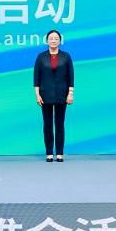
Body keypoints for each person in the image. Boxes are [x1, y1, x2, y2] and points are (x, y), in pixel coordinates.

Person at [33, 30, 74, 162]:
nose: (53, 40)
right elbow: (36, 77)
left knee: (60, 124)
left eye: (56, 38)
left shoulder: (66, 56)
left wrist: (70, 93)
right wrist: (37, 94)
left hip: (62, 94)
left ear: (60, 41)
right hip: (45, 94)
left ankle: (60, 153)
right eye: (51, 38)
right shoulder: (41, 57)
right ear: (47, 41)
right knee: (48, 124)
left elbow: (71, 76)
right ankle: (49, 153)